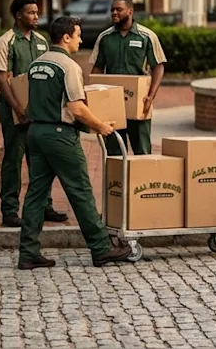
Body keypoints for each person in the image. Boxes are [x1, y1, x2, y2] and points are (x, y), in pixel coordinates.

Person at [18, 16, 132, 269]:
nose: (81, 39)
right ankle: (101, 248)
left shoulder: (36, 65)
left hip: (35, 133)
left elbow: (29, 103)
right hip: (60, 135)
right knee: (80, 191)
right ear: (66, 37)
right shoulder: (68, 67)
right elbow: (76, 108)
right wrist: (101, 126)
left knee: (36, 194)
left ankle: (28, 252)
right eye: (78, 34)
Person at [0, 0, 68, 228]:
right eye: (31, 12)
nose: (36, 16)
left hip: (39, 111)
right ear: (18, 15)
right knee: (14, 160)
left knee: (41, 161)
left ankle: (44, 206)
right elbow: (2, 79)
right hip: (15, 111)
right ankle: (10, 210)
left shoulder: (42, 41)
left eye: (37, 12)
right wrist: (17, 108)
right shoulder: (6, 42)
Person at [90, 0, 167, 155]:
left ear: (130, 11)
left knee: (142, 150)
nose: (114, 13)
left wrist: (151, 96)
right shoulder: (105, 38)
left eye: (119, 9)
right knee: (114, 151)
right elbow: (97, 69)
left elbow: (158, 67)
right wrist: (94, 98)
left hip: (138, 101)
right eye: (112, 10)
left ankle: (143, 180)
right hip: (111, 104)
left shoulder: (146, 36)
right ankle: (118, 181)